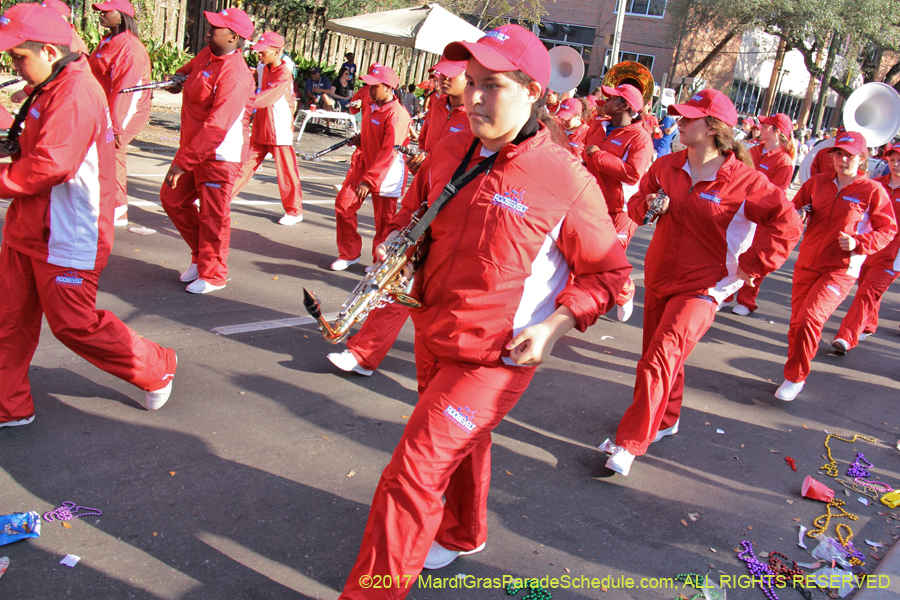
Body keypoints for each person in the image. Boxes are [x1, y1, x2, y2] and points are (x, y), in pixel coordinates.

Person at [337, 24, 631, 599]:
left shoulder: (567, 178)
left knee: (411, 475)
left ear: (533, 92)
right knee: (458, 448)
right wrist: (394, 242)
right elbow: (413, 214)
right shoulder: (450, 147)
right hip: (432, 330)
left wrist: (555, 324)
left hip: (495, 358)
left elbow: (610, 276)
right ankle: (466, 530)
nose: (472, 97)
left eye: (490, 85)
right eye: (469, 83)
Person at [601, 89, 803, 476]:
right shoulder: (668, 165)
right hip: (660, 275)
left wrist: (752, 265)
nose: (678, 120)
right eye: (679, 114)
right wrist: (649, 205)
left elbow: (787, 223)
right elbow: (636, 203)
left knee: (657, 360)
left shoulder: (745, 182)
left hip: (705, 287)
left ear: (712, 128)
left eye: (688, 116)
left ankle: (629, 443)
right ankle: (666, 419)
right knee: (665, 359)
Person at [0, 3, 177, 428]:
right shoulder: (55, 80)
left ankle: (155, 366)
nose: (14, 66)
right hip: (30, 223)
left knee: (73, 325)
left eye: (19, 57)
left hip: (67, 232)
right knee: (9, 319)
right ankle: (10, 405)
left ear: (46, 49)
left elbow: (51, 165)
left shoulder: (75, 91)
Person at [325, 56, 468, 376]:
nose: (441, 80)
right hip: (431, 203)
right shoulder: (436, 104)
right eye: (439, 75)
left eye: (449, 75)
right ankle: (364, 354)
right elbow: (431, 154)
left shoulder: (477, 113)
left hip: (461, 212)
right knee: (399, 279)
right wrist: (422, 169)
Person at [775, 131, 897, 401]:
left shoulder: (872, 190)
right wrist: (799, 213)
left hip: (840, 271)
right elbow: (794, 210)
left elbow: (888, 230)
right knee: (797, 324)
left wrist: (858, 243)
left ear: (863, 158)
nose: (842, 159)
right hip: (807, 262)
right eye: (839, 153)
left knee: (809, 320)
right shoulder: (817, 183)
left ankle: (795, 377)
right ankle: (796, 374)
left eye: (849, 155)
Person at [159, 7, 255, 294]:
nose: (209, 29)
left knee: (213, 214)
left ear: (233, 37)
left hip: (219, 154)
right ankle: (201, 257)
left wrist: (183, 161)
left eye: (217, 26)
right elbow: (189, 72)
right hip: (194, 147)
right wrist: (177, 78)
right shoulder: (207, 54)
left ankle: (214, 274)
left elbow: (218, 126)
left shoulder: (236, 73)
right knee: (172, 199)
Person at [583, 83, 653, 322]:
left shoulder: (640, 138)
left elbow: (633, 173)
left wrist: (599, 155)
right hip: (591, 201)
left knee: (609, 260)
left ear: (624, 106)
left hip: (620, 210)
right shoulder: (598, 126)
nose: (605, 100)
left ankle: (625, 291)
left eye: (611, 98)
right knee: (583, 254)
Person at [330, 65, 410, 271]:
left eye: (373, 86)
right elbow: (373, 135)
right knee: (344, 205)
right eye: (367, 85)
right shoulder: (370, 103)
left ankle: (379, 262)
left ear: (387, 87)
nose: (368, 89)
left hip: (386, 171)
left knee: (384, 222)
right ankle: (349, 254)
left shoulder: (397, 114)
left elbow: (389, 151)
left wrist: (370, 179)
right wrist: (360, 140)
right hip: (364, 164)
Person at [87, 0, 151, 228]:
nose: (101, 15)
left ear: (122, 16)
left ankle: (117, 211)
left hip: (123, 114)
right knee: (101, 157)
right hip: (106, 111)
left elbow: (127, 91)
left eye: (106, 11)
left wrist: (116, 127)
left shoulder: (129, 48)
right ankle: (104, 204)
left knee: (114, 155)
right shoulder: (109, 40)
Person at [832, 143, 900, 353]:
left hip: (893, 256)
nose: (896, 164)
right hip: (867, 249)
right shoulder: (875, 185)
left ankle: (846, 337)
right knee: (867, 289)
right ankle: (869, 324)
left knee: (867, 292)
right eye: (892, 159)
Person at [231, 31, 303, 226]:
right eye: (258, 51)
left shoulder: (284, 72)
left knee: (286, 172)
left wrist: (243, 102)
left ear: (277, 52)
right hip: (262, 124)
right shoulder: (263, 67)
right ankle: (221, 199)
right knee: (243, 165)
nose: (259, 54)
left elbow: (269, 96)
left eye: (263, 51)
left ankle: (295, 211)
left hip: (278, 128)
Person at [730, 112, 796, 316]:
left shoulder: (784, 161)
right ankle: (724, 294)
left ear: (776, 132)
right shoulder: (754, 149)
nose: (761, 127)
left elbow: (777, 190)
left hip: (761, 214)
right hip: (741, 207)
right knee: (733, 249)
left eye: (766, 125)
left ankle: (746, 300)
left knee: (755, 253)